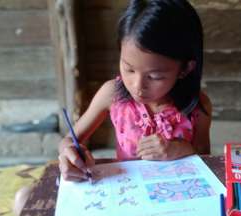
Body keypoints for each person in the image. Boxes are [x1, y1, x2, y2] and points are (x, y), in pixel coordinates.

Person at [58, 0, 212, 183]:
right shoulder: (112, 94)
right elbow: (69, 140)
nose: (137, 86)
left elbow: (205, 156)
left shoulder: (197, 106)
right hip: (127, 193)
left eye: (155, 76)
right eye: (129, 69)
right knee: (24, 197)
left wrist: (182, 148)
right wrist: (70, 154)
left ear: (185, 69)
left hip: (177, 194)